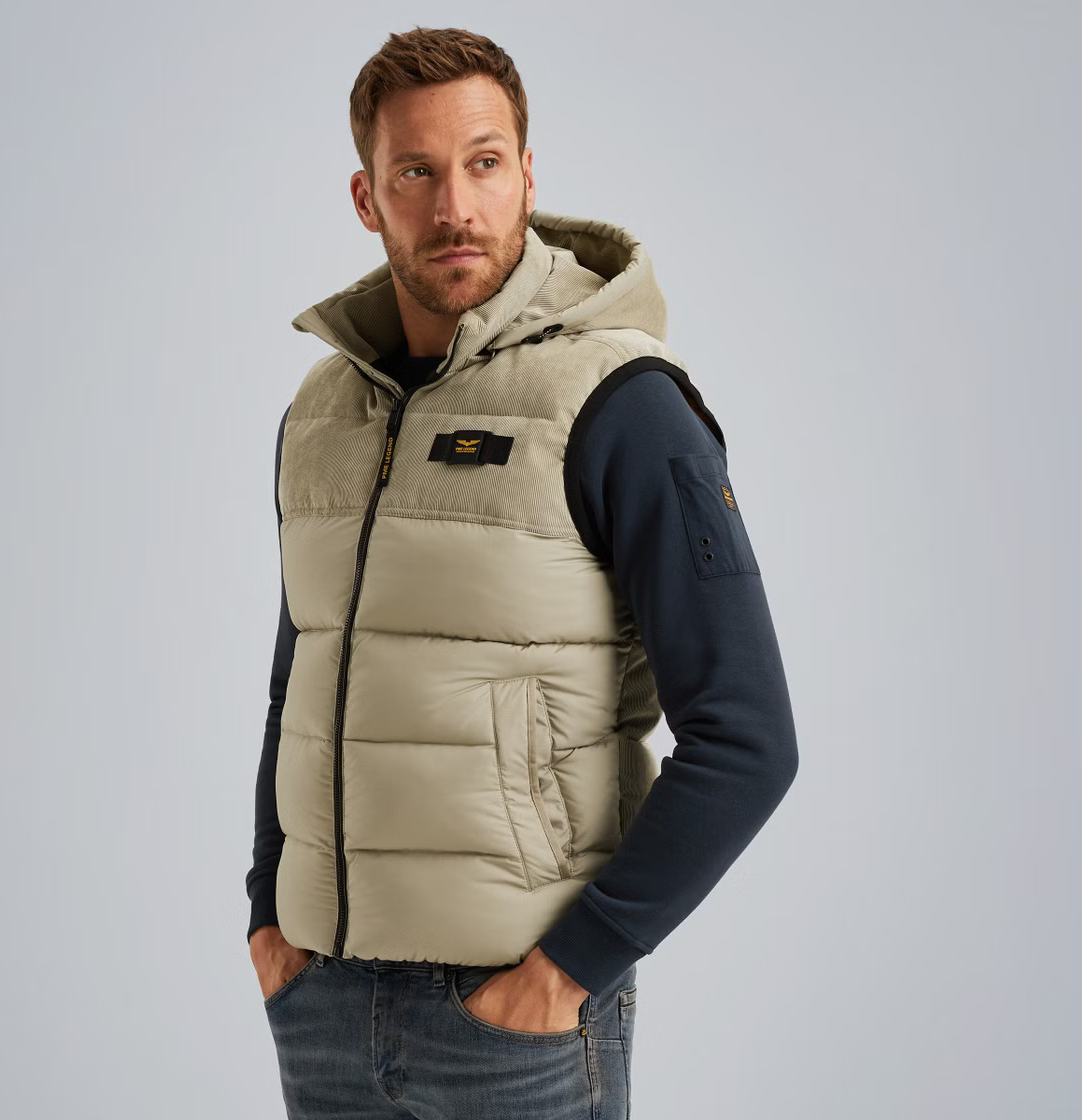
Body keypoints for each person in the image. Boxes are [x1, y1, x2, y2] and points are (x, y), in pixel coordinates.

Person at [245, 25, 798, 1120]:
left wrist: (569, 970)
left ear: (528, 176)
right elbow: (295, 681)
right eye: (416, 172)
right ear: (367, 197)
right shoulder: (322, 411)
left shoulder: (623, 405)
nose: (455, 205)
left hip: (515, 1020)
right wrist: (270, 916)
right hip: (321, 1008)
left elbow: (748, 737)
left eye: (484, 162)